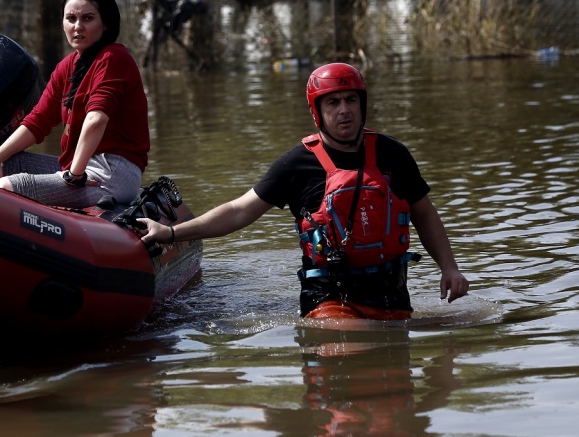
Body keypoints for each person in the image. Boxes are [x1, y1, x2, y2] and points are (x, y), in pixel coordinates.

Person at [138, 63, 469, 320]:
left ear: (362, 104)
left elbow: (423, 211)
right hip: (329, 300)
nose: (344, 110)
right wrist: (171, 232)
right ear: (317, 111)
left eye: (351, 100)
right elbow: (240, 210)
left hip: (392, 296)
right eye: (334, 102)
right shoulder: (297, 164)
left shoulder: (392, 154)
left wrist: (449, 268)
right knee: (352, 365)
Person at [0, 0, 150, 208]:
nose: (78, 26)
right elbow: (38, 120)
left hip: (111, 173)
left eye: (88, 18)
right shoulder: (67, 66)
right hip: (76, 168)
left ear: (105, 24)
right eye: (71, 19)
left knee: (7, 187)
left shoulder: (113, 57)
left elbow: (96, 120)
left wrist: (75, 174)